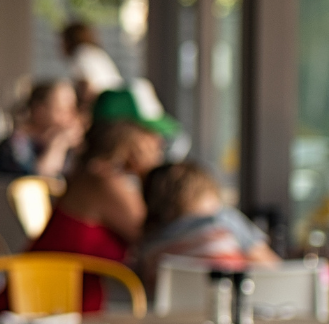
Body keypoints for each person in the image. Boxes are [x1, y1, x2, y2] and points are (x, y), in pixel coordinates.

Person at [25, 119, 163, 312]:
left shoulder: (92, 175)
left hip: (53, 304)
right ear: (131, 141)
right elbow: (155, 236)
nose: (158, 148)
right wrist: (153, 174)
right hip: (44, 310)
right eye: (151, 140)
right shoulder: (103, 181)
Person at [134, 161, 278, 291]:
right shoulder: (223, 220)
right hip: (232, 310)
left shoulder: (148, 247)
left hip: (172, 319)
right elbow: (273, 270)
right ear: (205, 193)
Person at [0, 79, 82, 179]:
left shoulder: (72, 147)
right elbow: (36, 183)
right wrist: (58, 146)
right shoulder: (15, 146)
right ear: (39, 111)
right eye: (62, 110)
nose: (71, 117)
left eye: (74, 109)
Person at [62, 21, 123, 101]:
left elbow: (88, 87)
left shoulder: (81, 54)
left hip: (104, 105)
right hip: (118, 101)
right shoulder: (96, 53)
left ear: (69, 40)